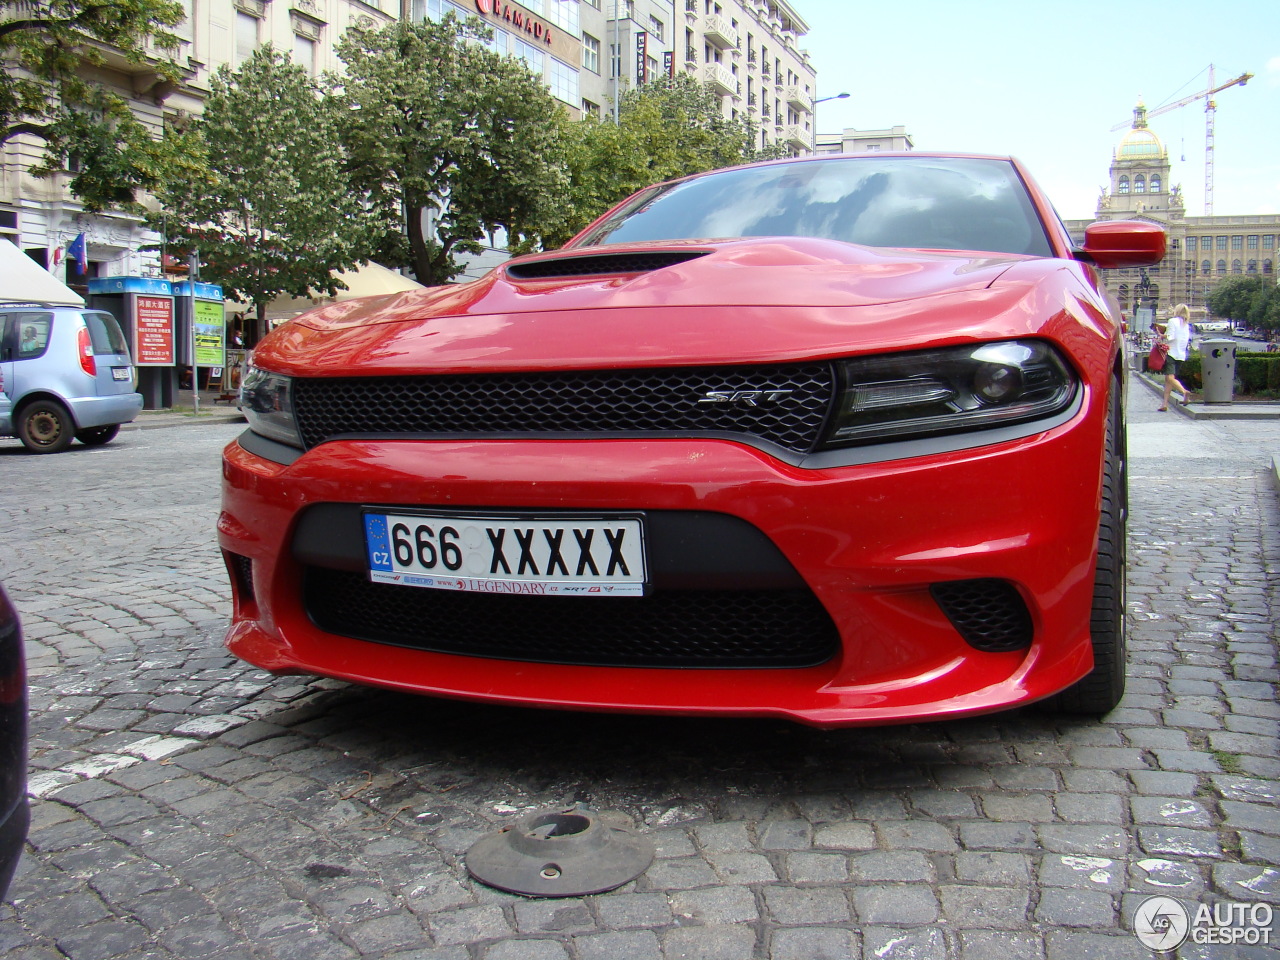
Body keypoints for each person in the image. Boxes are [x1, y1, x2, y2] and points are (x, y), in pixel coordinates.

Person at [1154, 303, 1193, 412]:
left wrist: (1162, 335)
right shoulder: (1187, 325)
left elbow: (1171, 337)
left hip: (1171, 353)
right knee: (1168, 380)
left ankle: (1184, 392)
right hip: (1181, 355)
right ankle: (1164, 404)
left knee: (1170, 378)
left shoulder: (1173, 321)